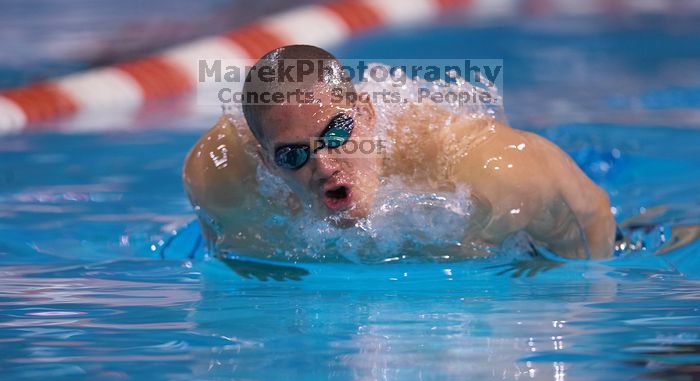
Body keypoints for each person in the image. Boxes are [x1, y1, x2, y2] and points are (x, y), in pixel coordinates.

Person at [183, 44, 616, 262]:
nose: (324, 166)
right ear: (267, 165)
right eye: (292, 155)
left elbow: (592, 215)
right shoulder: (220, 181)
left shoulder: (482, 170)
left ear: (367, 115)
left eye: (336, 133)